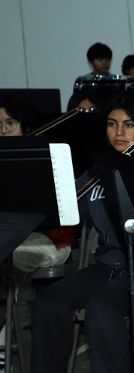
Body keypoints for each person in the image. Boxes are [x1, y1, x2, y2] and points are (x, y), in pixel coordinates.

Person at [29, 91, 134, 373]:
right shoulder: (96, 172)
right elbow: (65, 210)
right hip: (109, 264)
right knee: (48, 303)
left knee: (101, 308)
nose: (119, 133)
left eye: (128, 124)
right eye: (112, 124)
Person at [0, 96, 76, 273]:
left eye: (10, 123)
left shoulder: (50, 158)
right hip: (7, 234)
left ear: (25, 126)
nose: (3, 131)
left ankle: (21, 299)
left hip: (48, 240)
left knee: (14, 254)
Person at [67, 42, 113, 110]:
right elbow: (75, 104)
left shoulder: (117, 82)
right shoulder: (83, 81)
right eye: (100, 59)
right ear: (91, 61)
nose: (104, 62)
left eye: (107, 59)